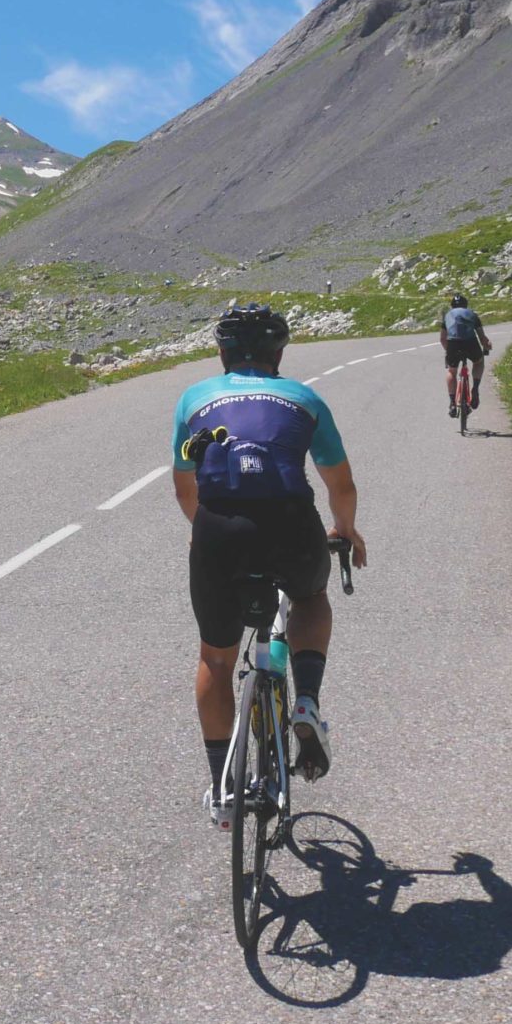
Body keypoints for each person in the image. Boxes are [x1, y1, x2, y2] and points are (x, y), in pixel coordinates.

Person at [173, 301, 367, 829]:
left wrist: (209, 534)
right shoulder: (305, 398)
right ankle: (305, 699)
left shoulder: (194, 399)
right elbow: (340, 485)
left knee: (216, 658)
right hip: (291, 524)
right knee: (309, 597)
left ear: (221, 353)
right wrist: (345, 533)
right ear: (279, 354)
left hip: (218, 528)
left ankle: (221, 787)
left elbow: (184, 486)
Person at [440, 292, 493, 417]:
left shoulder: (447, 316)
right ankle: (475, 388)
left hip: (453, 344)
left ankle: (453, 402)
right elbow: (482, 337)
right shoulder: (472, 314)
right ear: (466, 305)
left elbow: (442, 338)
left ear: (452, 305)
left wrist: (448, 351)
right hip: (470, 343)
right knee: (478, 362)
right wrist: (487, 346)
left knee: (452, 371)